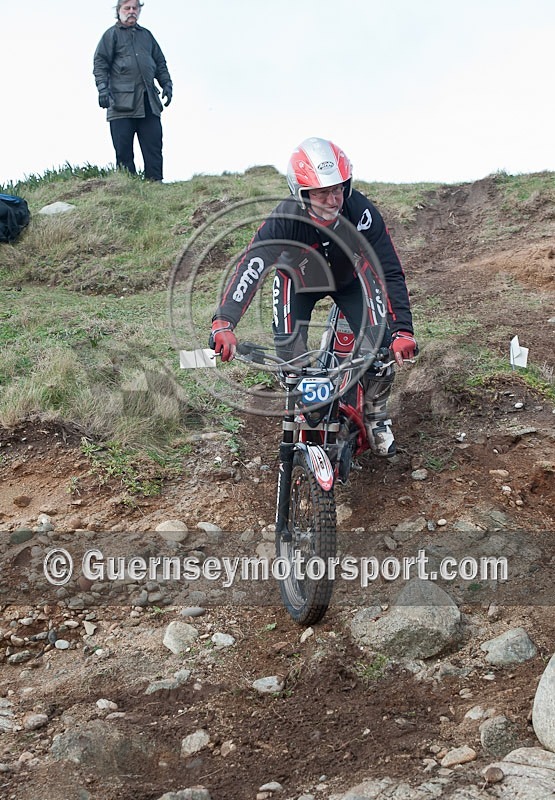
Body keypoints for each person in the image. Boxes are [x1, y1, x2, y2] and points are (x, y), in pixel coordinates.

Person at [209, 137, 417, 457]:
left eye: (338, 189)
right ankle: (304, 411)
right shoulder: (285, 218)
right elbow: (253, 264)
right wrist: (225, 319)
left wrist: (402, 329)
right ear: (302, 193)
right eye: (321, 192)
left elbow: (388, 270)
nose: (333, 200)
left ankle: (375, 417)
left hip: (350, 283)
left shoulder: (361, 212)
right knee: (291, 366)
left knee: (382, 350)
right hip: (298, 285)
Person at [93, 1, 173, 182]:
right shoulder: (111, 35)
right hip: (120, 102)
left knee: (153, 146)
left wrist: (167, 84)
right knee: (123, 150)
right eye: (127, 8)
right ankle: (127, 187)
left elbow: (160, 63)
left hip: (148, 101)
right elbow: (100, 64)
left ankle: (155, 184)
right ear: (119, 11)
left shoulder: (147, 36)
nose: (131, 12)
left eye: (135, 8)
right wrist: (102, 89)